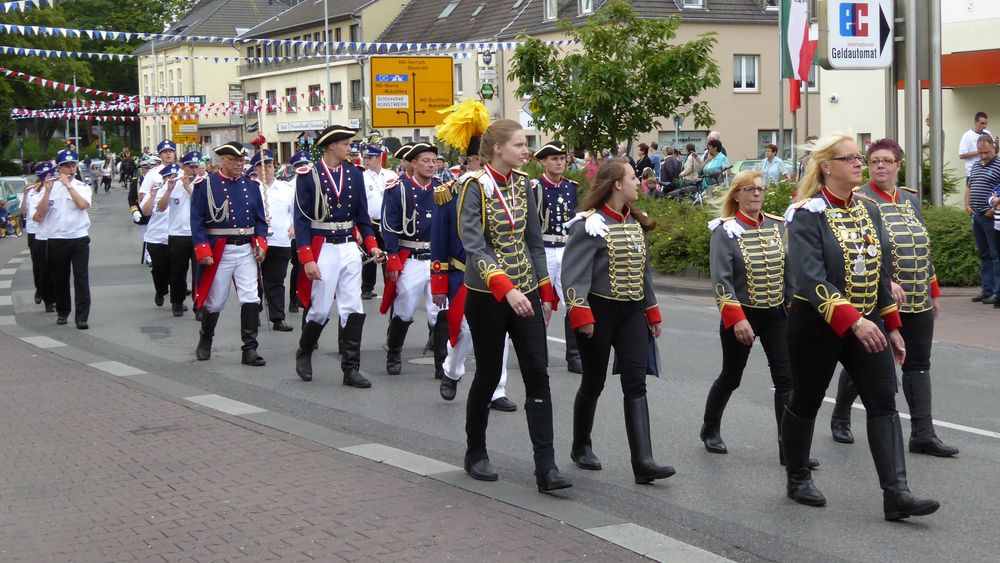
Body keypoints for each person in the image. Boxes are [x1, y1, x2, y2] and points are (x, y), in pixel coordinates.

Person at [781, 132, 939, 521]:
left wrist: (892, 326)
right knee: (806, 399)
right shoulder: (806, 214)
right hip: (818, 325)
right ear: (826, 167)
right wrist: (853, 322)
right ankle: (797, 477)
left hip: (866, 323)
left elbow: (880, 271)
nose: (859, 164)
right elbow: (809, 278)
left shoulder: (867, 209)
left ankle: (896, 494)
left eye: (858, 158)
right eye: (849, 158)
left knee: (884, 400)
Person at [458, 118, 570, 493]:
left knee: (538, 373)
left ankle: (546, 467)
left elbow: (534, 243)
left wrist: (544, 292)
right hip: (488, 296)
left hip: (527, 293)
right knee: (489, 374)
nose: (526, 151)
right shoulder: (474, 187)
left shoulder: (525, 185)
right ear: (497, 150)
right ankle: (475, 452)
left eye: (526, 144)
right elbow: (474, 246)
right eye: (521, 145)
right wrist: (506, 289)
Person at [828, 139, 957, 458]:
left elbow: (921, 246)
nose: (879, 166)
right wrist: (887, 280)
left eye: (886, 161)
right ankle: (841, 415)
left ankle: (923, 434)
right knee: (872, 360)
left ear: (898, 165)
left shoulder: (910, 200)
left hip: (918, 298)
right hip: (877, 298)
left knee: (919, 363)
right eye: (873, 162)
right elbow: (860, 248)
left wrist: (933, 290)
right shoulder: (860, 201)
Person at [560, 160, 673, 485]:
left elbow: (644, 273)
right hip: (599, 312)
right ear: (617, 185)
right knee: (593, 382)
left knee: (636, 382)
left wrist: (652, 312)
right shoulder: (589, 225)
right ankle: (581, 445)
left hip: (631, 314)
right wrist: (581, 314)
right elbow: (574, 275)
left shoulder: (634, 223)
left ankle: (643, 462)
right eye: (633, 177)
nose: (639, 182)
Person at [701, 170, 818, 469]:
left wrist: (794, 306)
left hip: (776, 314)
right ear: (737, 194)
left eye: (760, 189)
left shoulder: (778, 227)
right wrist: (736, 318)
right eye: (749, 189)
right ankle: (710, 427)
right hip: (743, 313)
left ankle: (788, 448)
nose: (756, 194)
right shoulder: (725, 231)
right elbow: (721, 281)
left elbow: (789, 270)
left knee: (787, 379)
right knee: (732, 375)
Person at [431, 119, 517, 410]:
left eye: (484, 160)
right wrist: (439, 281)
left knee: (502, 331)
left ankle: (497, 389)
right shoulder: (450, 192)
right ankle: (452, 370)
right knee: (463, 329)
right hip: (463, 272)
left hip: (499, 271)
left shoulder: (507, 188)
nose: (481, 165)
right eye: (476, 160)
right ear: (466, 161)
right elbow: (440, 240)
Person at [293, 126, 381, 387]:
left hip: (348, 246)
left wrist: (372, 244)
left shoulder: (354, 174)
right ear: (332, 146)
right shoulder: (309, 175)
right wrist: (307, 257)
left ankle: (351, 368)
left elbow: (363, 217)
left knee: (353, 306)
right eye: (345, 144)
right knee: (320, 307)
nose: (350, 148)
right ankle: (304, 352)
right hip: (324, 246)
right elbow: (301, 220)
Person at [191, 142, 268, 366]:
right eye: (234, 160)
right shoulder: (206, 185)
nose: (239, 164)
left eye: (241, 160)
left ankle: (250, 348)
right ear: (222, 159)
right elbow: (196, 221)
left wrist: (262, 243)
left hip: (246, 248)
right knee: (214, 302)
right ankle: (206, 337)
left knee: (250, 297)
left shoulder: (252, 186)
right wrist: (203, 249)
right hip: (220, 250)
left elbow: (260, 221)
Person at [380, 142, 444, 377]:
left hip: (438, 259)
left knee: (439, 311)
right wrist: (393, 257)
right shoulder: (399, 189)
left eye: (434, 161)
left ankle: (441, 362)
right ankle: (394, 351)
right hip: (412, 257)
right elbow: (389, 227)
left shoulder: (443, 189)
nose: (431, 165)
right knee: (404, 307)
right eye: (425, 161)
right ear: (413, 163)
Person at [532, 141, 582, 374]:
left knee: (572, 300)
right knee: (541, 302)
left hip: (566, 249)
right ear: (543, 162)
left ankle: (574, 357)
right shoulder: (534, 187)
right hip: (543, 249)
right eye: (554, 159)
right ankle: (537, 355)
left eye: (562, 158)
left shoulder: (571, 187)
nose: (560, 162)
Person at [33, 148, 92, 329]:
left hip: (79, 238)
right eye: (66, 166)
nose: (70, 169)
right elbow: (39, 215)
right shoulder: (49, 188)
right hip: (57, 238)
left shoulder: (82, 187)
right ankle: (63, 311)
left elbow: (82, 205)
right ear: (59, 168)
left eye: (73, 165)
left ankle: (82, 317)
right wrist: (47, 193)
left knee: (81, 277)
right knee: (60, 277)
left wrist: (69, 185)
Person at [251, 149, 295, 332]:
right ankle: (253, 313)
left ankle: (278, 317)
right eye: (261, 166)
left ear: (274, 167)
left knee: (276, 280)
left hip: (280, 240)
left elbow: (296, 213)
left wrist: (294, 226)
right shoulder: (250, 188)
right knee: (254, 280)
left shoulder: (286, 189)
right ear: (255, 169)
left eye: (268, 166)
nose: (266, 170)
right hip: (256, 241)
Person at [164, 151, 199, 317]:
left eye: (195, 166)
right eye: (190, 167)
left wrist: (188, 187)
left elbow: (202, 205)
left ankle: (199, 305)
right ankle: (177, 302)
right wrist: (168, 191)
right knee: (178, 271)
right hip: (177, 233)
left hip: (197, 234)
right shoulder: (173, 182)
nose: (193, 169)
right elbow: (161, 207)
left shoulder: (202, 182)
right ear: (182, 167)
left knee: (199, 271)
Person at [966, 134, 1000, 304]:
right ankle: (986, 290)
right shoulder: (976, 166)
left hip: (992, 217)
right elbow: (970, 186)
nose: (983, 156)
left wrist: (994, 208)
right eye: (980, 153)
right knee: (984, 254)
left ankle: (997, 291)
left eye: (986, 152)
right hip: (978, 216)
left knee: (996, 255)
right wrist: (967, 205)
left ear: (993, 147)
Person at [361, 144, 397, 300]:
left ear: (378, 158)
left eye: (369, 158)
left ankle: (390, 286)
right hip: (370, 221)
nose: (366, 161)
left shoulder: (391, 175)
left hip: (388, 222)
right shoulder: (362, 176)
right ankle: (367, 287)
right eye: (365, 158)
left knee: (388, 254)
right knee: (370, 255)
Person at [141, 163, 176, 308]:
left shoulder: (181, 192)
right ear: (163, 179)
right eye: (169, 177)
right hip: (156, 237)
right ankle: (160, 291)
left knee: (176, 270)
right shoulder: (154, 192)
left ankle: (177, 301)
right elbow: (146, 212)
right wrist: (153, 196)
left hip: (175, 236)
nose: (172, 180)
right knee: (159, 269)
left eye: (175, 177)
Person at [24, 163, 55, 312]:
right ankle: (43, 293)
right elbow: (33, 215)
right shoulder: (34, 193)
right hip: (37, 233)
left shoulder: (60, 189)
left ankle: (54, 298)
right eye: (47, 176)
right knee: (40, 268)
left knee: (57, 270)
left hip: (57, 235)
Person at [287, 150, 312, 314]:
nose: (303, 168)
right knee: (298, 265)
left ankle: (310, 297)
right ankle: (294, 299)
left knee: (312, 265)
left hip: (314, 230)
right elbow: (289, 210)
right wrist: (292, 225)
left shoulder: (315, 182)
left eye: (306, 165)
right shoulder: (290, 186)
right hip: (298, 231)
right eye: (300, 166)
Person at [959, 112, 992, 183]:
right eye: (982, 123)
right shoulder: (967, 135)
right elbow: (962, 155)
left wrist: (996, 145)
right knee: (974, 193)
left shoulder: (987, 133)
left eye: (986, 123)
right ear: (975, 122)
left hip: (987, 171)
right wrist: (980, 151)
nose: (984, 126)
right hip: (973, 173)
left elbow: (994, 151)